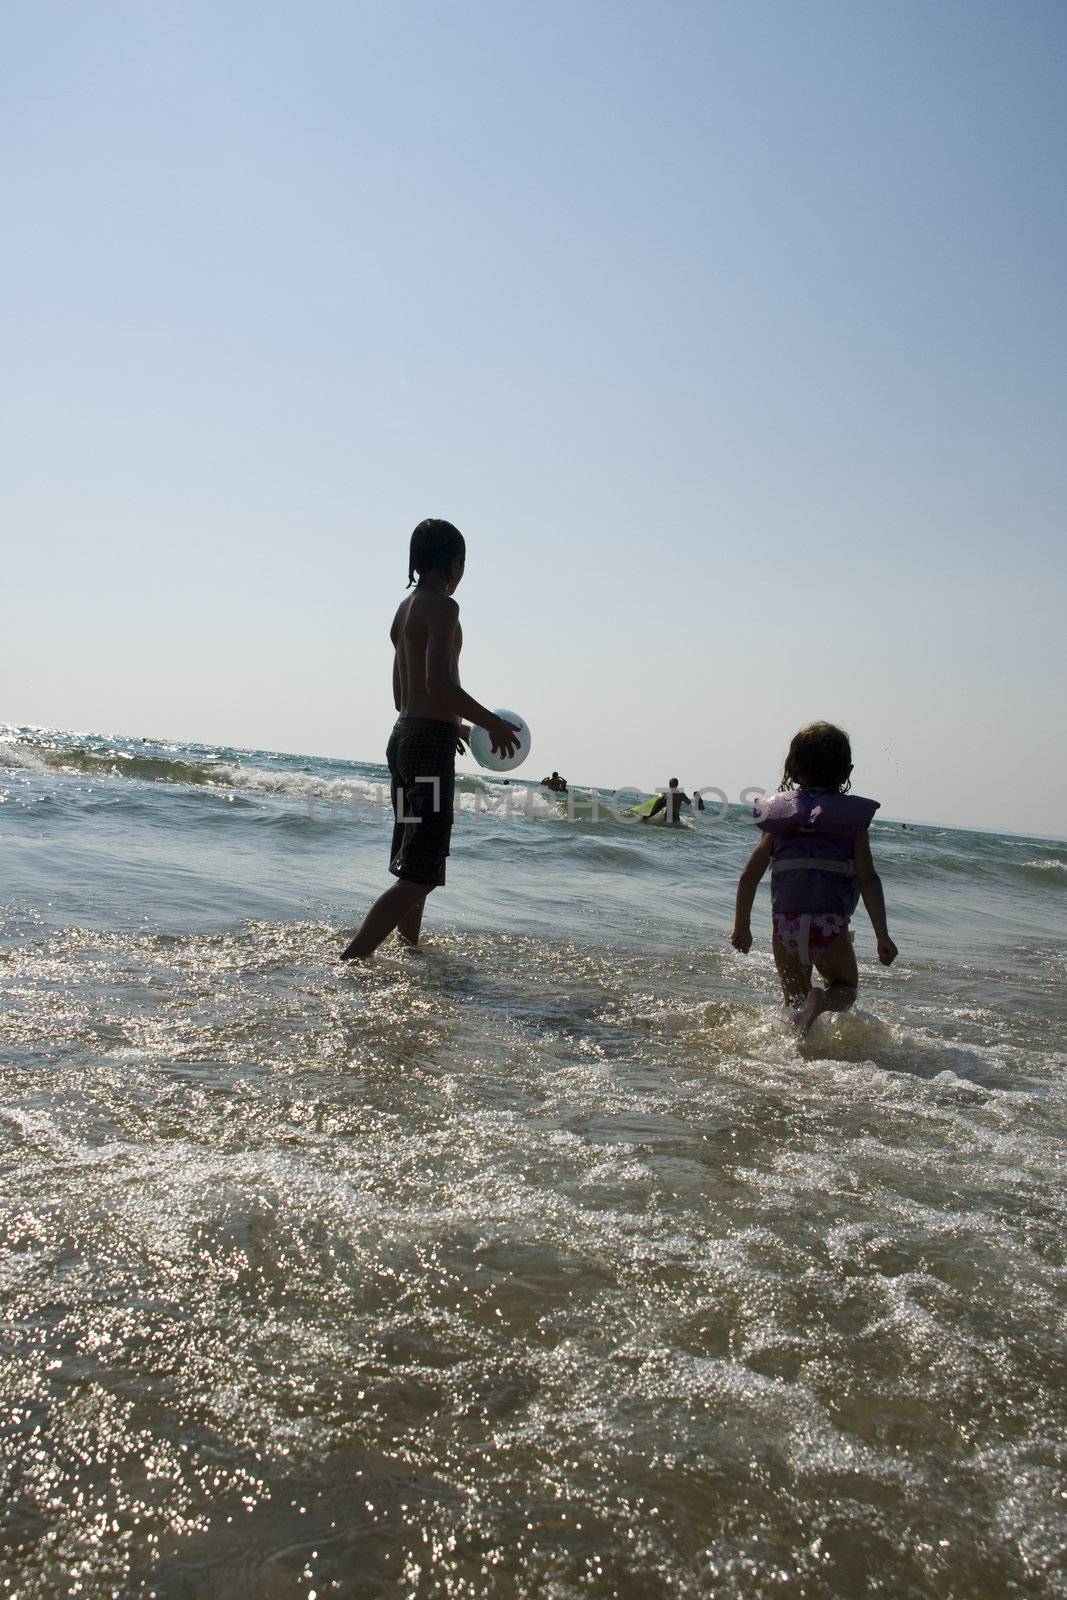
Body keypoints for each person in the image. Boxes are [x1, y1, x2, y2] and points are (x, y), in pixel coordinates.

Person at [341, 520, 520, 959]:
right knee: (421, 870)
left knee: (413, 857)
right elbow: (439, 684)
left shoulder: (405, 609)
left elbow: (404, 694)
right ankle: (351, 960)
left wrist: (455, 725)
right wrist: (491, 724)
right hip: (426, 746)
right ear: (455, 563)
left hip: (404, 736)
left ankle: (410, 953)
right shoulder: (443, 608)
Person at [730, 721, 898, 1036]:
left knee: (793, 1001)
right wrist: (882, 936)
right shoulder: (851, 824)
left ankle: (795, 1052)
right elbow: (868, 879)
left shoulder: (778, 821)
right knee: (844, 987)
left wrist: (742, 926)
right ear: (846, 771)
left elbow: (748, 876)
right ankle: (820, 1003)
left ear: (791, 768)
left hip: (787, 926)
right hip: (830, 927)